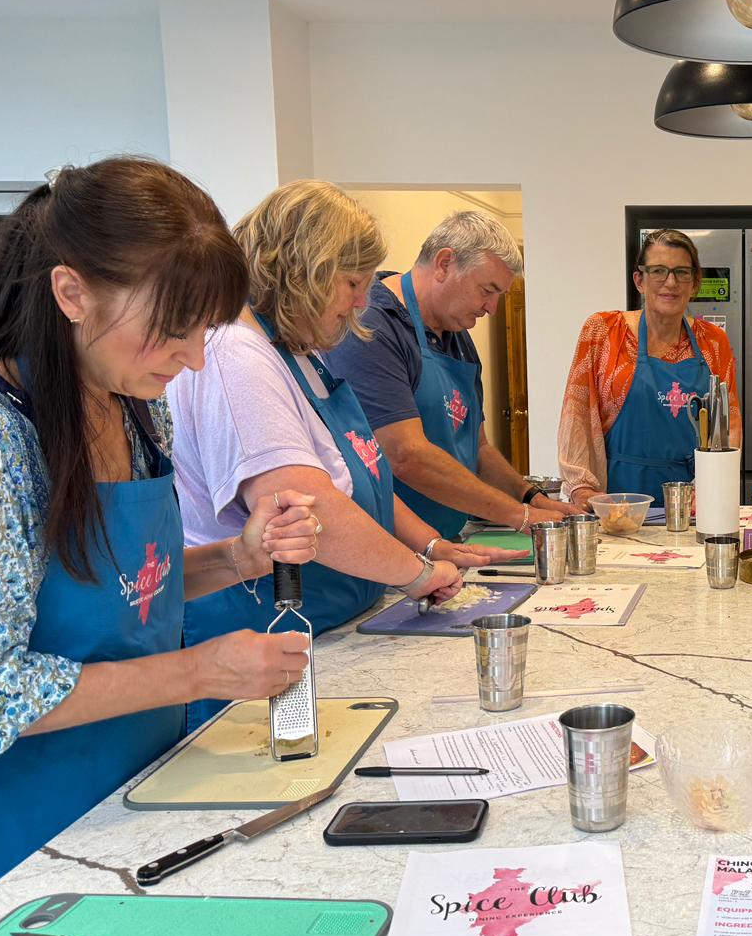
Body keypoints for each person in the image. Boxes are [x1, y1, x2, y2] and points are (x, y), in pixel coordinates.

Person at [0, 158, 320, 928]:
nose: (195, 360)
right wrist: (200, 670)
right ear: (71, 293)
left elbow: (123, 591)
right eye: (172, 330)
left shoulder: (135, 410)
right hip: (11, 841)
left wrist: (239, 558)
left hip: (130, 795)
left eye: (205, 332)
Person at [171, 182, 524, 714]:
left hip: (336, 627)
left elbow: (365, 474)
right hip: (259, 645)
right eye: (353, 283)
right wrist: (418, 574)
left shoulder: (295, 350)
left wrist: (428, 546)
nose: (363, 300)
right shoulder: (237, 355)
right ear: (304, 271)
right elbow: (307, 507)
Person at [326, 211, 581, 537]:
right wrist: (520, 515)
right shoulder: (374, 325)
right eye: (487, 290)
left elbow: (479, 449)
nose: (492, 309)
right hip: (392, 544)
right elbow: (406, 456)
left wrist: (532, 497)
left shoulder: (457, 335)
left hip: (446, 539)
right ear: (445, 263)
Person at [558, 229, 741, 506]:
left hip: (689, 502)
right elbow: (577, 416)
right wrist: (582, 488)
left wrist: (710, 486)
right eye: (658, 271)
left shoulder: (713, 342)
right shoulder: (604, 332)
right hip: (617, 501)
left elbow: (728, 427)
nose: (671, 282)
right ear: (639, 280)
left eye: (682, 272)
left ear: (694, 284)